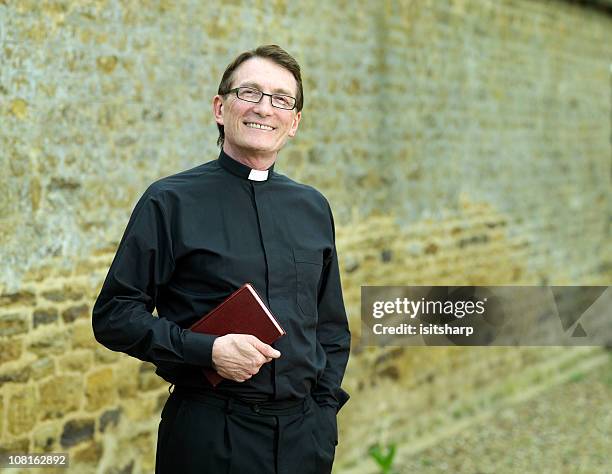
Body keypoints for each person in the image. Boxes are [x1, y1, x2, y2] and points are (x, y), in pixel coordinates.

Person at [92, 44, 351, 474]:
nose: (264, 108)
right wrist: (207, 350)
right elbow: (114, 316)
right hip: (210, 435)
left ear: (294, 123)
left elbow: (331, 328)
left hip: (305, 441)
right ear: (220, 108)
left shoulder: (313, 207)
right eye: (249, 92)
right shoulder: (169, 201)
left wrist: (324, 413)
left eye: (280, 99)